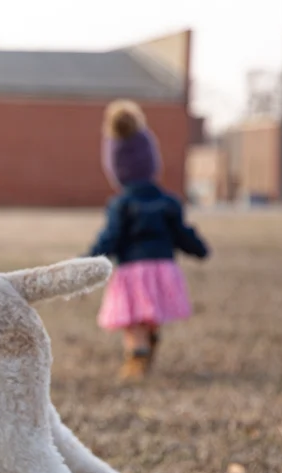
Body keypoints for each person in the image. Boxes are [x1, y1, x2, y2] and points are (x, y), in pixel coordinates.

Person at [88, 100, 210, 381]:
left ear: (116, 168)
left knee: (133, 324)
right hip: (163, 271)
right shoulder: (169, 201)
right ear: (151, 162)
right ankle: (151, 339)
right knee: (149, 316)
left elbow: (110, 238)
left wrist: (89, 261)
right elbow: (182, 233)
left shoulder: (121, 204)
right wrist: (199, 249)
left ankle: (137, 358)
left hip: (133, 272)